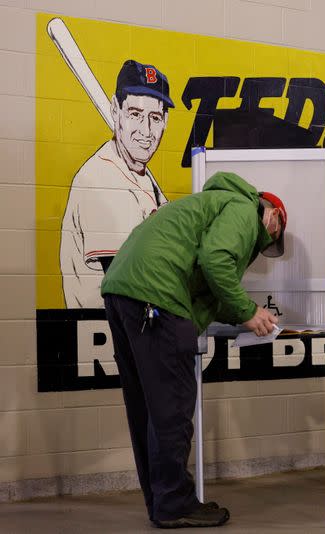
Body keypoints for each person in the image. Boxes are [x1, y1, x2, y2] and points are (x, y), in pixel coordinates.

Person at [100, 171, 286, 528]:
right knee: (173, 408)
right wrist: (249, 312)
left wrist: (236, 316)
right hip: (156, 295)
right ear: (274, 215)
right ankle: (175, 503)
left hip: (122, 290)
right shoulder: (245, 209)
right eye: (271, 238)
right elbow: (217, 260)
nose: (265, 246)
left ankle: (161, 500)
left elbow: (204, 287)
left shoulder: (207, 206)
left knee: (147, 409)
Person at [61, 59, 172, 308]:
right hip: (106, 331)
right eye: (135, 114)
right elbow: (129, 279)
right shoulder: (102, 178)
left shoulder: (136, 172)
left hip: (129, 329)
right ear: (115, 110)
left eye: (154, 117)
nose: (146, 130)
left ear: (166, 121)